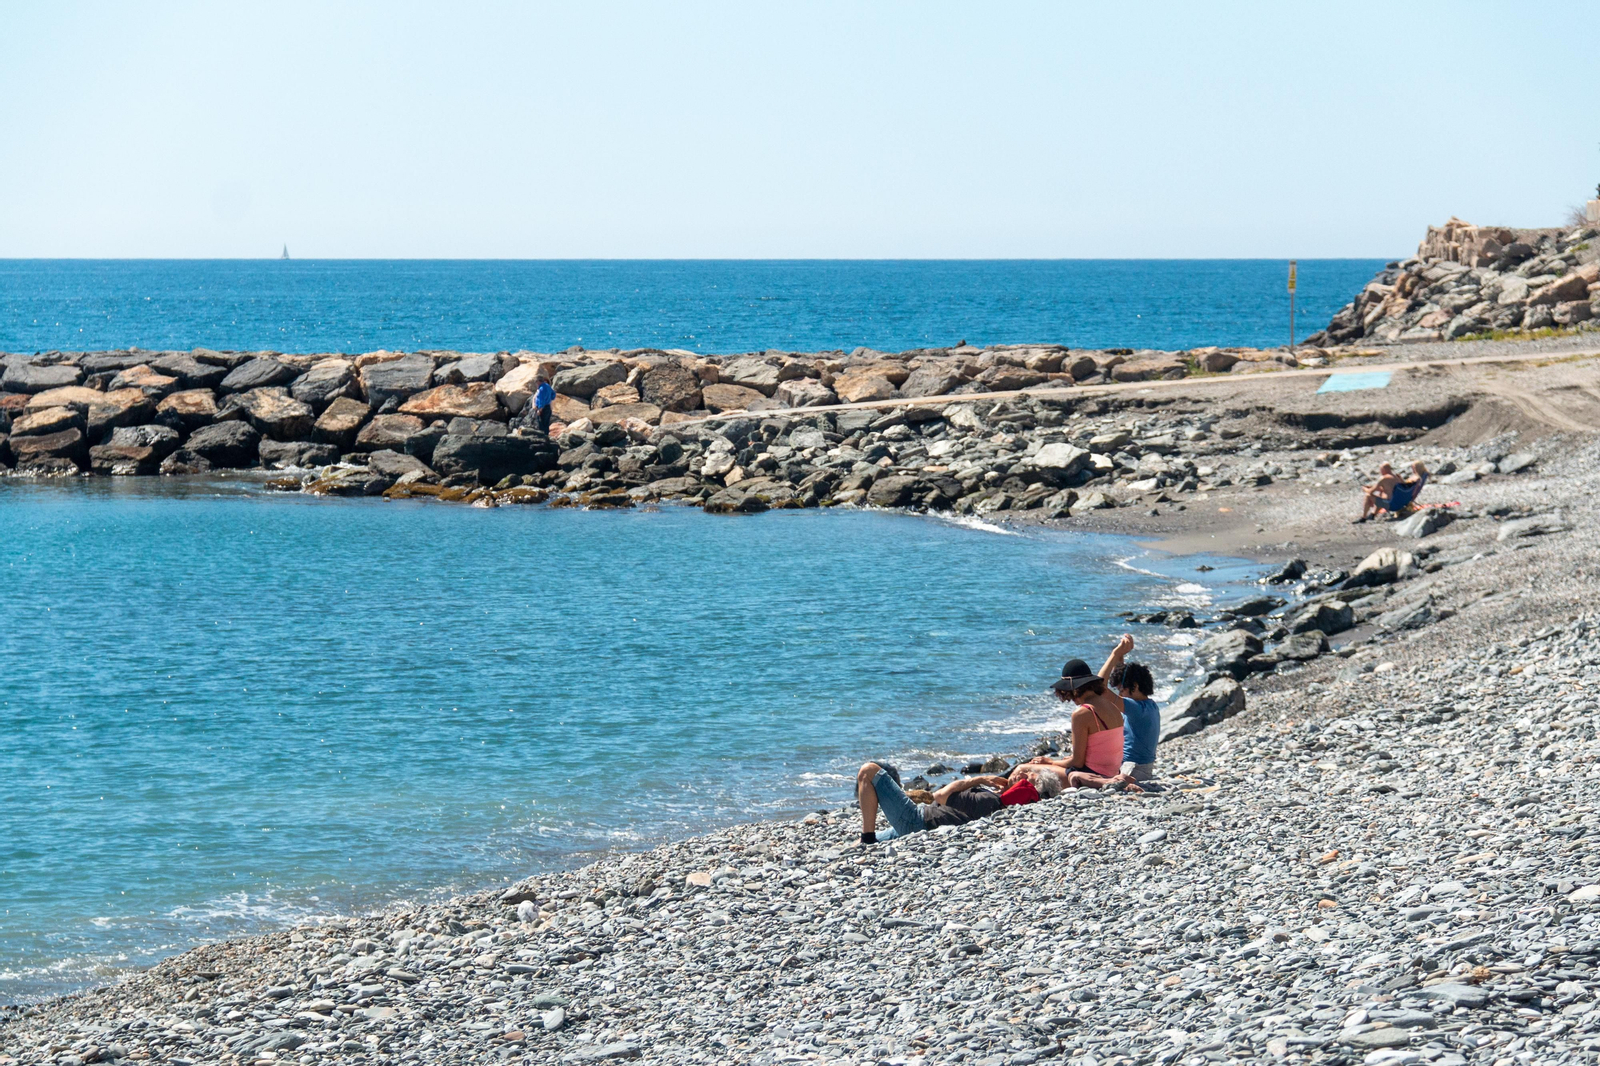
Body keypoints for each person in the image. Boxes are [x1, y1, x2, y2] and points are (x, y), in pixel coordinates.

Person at [854, 760, 1057, 844]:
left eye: (1029, 778)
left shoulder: (989, 799)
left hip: (917, 821)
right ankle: (868, 839)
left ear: (1029, 791)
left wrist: (977, 779)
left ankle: (868, 838)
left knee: (869, 771)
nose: (1023, 773)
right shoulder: (997, 797)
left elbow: (940, 796)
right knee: (856, 847)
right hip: (922, 817)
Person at [1019, 658, 1137, 791]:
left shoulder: (1082, 713)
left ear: (1074, 688)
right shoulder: (1111, 706)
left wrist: (1050, 761)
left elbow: (1077, 762)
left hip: (1090, 776)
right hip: (1112, 772)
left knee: (1022, 769)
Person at [1100, 634, 1161, 782]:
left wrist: (1114, 654)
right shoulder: (1150, 705)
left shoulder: (1136, 709)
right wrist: (1121, 655)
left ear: (1135, 687)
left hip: (1132, 769)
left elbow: (1098, 688)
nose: (1120, 694)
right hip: (1141, 768)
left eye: (1121, 690)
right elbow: (1121, 674)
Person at [1354, 460, 1429, 523]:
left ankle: (1363, 518)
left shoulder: (1384, 478)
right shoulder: (1396, 478)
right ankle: (1373, 515)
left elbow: (1370, 492)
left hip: (1392, 505)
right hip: (1402, 502)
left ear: (1383, 470)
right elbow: (1392, 490)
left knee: (1368, 495)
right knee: (1382, 495)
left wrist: (1365, 489)